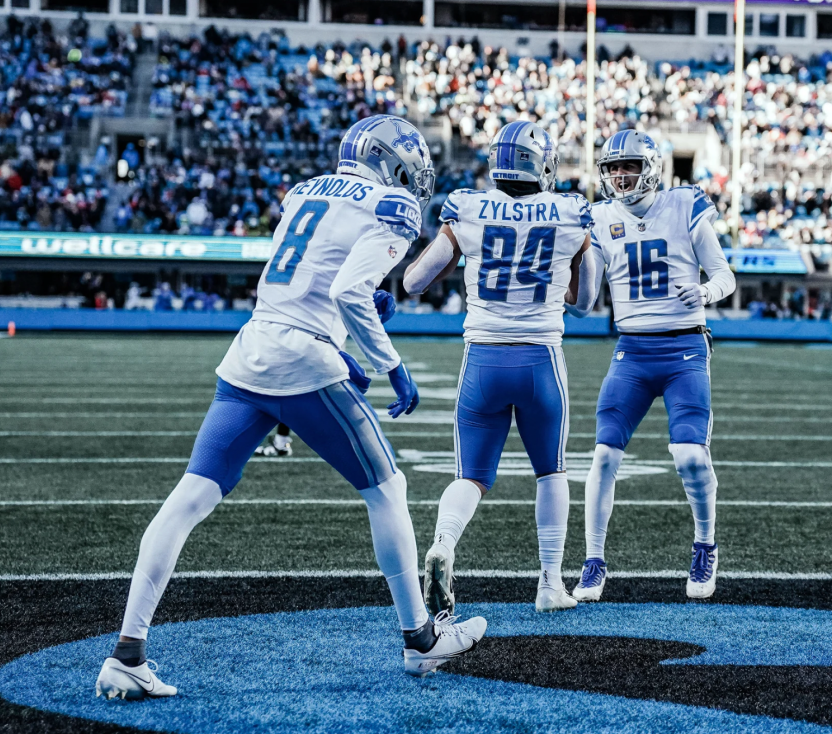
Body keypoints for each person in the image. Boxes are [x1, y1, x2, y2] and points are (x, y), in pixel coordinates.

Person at [94, 115, 486, 701]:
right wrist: (390, 366)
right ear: (392, 161)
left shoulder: (306, 190)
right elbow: (346, 292)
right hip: (301, 359)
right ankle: (421, 640)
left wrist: (347, 343)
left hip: (253, 348)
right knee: (388, 489)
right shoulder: (394, 205)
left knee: (189, 498)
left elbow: (307, 287)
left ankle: (126, 653)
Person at [403, 120, 599, 615]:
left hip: (482, 359)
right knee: (551, 471)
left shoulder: (467, 207)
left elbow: (414, 281)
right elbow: (586, 302)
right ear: (542, 165)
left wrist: (460, 254)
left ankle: (444, 543)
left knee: (470, 474)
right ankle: (550, 583)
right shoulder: (570, 211)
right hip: (540, 360)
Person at [570, 132, 736, 602]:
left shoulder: (684, 204)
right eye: (613, 168)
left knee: (690, 456)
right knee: (602, 456)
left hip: (685, 348)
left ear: (652, 167)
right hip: (633, 351)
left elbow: (724, 275)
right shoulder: (600, 218)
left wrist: (704, 293)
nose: (620, 176)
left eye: (629, 166)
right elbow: (586, 300)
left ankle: (705, 545)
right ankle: (593, 560)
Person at [254, 291, 397, 458]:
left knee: (286, 394)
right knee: (292, 394)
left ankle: (358, 443)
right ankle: (283, 441)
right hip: (316, 341)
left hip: (312, 342)